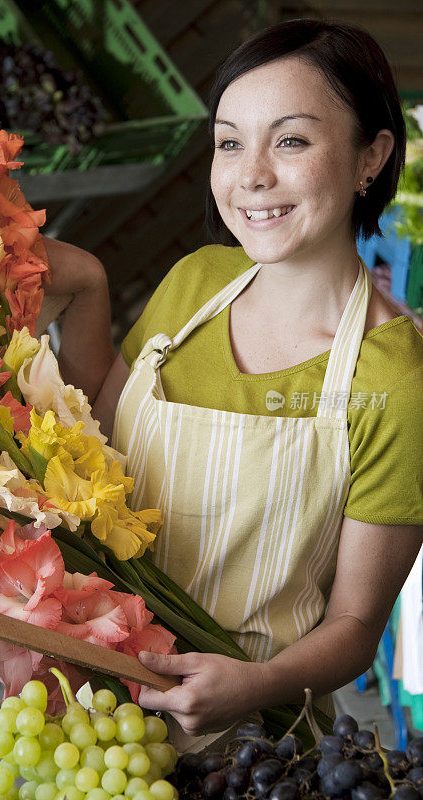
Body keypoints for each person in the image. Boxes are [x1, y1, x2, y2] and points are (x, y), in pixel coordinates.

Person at [44, 19, 423, 738]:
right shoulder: (196, 281)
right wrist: (90, 288)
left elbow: (353, 624)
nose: (249, 175)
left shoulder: (396, 378)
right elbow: (101, 434)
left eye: (290, 140)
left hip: (247, 741)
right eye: (228, 142)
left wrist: (258, 683)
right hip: (84, 699)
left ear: (369, 156)